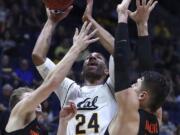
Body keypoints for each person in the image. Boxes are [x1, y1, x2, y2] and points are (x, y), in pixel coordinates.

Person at [5, 9, 99, 134]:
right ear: (18, 105)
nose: (36, 99)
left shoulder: (40, 129)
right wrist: (76, 48)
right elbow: (51, 83)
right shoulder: (18, 113)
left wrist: (63, 121)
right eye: (30, 97)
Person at [32, 2, 117, 135]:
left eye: (98, 57)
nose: (92, 58)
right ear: (82, 70)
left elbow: (118, 51)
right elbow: (38, 58)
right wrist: (51, 21)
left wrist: (90, 21)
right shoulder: (69, 89)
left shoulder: (112, 88)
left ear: (108, 71)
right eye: (88, 58)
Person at [106, 0, 170, 135]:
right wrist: (142, 25)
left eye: (135, 85)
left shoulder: (131, 114)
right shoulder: (156, 119)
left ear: (142, 95)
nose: (132, 85)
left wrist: (122, 15)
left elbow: (121, 65)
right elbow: (148, 73)